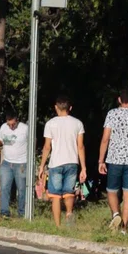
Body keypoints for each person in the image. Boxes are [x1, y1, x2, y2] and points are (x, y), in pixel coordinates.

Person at [97, 88, 128, 233]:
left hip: (114, 159)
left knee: (111, 191)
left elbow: (105, 138)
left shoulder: (112, 114)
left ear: (119, 100)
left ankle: (116, 214)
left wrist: (101, 160)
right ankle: (124, 228)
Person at [37, 95, 87, 229]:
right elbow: (80, 146)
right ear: (70, 108)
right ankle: (69, 213)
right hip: (72, 161)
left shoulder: (50, 124)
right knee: (69, 192)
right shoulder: (77, 123)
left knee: (55, 195)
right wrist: (84, 168)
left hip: (56, 162)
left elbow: (47, 146)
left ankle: (58, 225)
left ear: (56, 107)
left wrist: (42, 166)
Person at [0, 111, 29, 218]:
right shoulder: (3, 127)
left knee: (22, 189)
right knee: (4, 187)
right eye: (9, 124)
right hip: (7, 163)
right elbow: (0, 141)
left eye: (13, 124)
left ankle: (22, 213)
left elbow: (32, 142)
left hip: (21, 163)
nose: (11, 126)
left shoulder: (25, 128)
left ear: (17, 120)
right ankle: (4, 212)